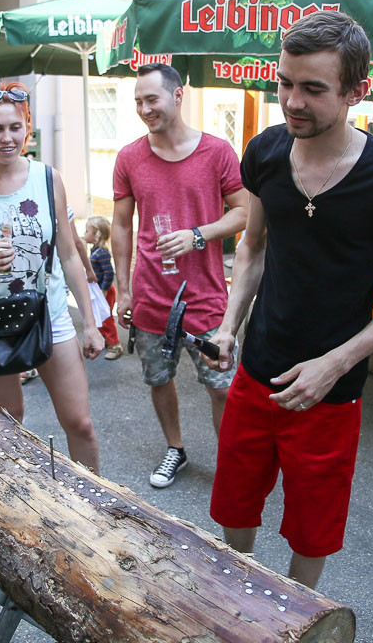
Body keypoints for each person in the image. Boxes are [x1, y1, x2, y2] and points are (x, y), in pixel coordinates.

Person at [205, 10, 373, 589]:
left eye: (312, 88)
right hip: (256, 370)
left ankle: (296, 621)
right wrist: (231, 324)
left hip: (331, 394)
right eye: (284, 82)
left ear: (357, 90)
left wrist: (335, 363)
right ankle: (240, 597)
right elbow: (251, 246)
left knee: (313, 529)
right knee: (233, 508)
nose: (292, 101)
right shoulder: (264, 153)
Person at [0, 83, 103, 475]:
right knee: (9, 422)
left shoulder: (48, 179)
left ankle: (98, 505)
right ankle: (26, 506)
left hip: (49, 312)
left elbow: (68, 253)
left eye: (15, 127)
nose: (7, 138)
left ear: (27, 126)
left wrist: (91, 324)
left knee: (79, 422)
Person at [112, 63, 248, 489]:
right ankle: (176, 449)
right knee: (159, 378)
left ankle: (230, 461)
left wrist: (198, 235)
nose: (144, 108)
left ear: (177, 96)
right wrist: (123, 288)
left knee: (222, 385)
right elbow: (120, 225)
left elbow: (245, 212)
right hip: (151, 294)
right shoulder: (130, 157)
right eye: (138, 101)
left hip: (205, 296)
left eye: (151, 99)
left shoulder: (217, 151)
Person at [83, 216, 122, 360]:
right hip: (98, 291)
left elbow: (109, 273)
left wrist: (104, 290)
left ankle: (115, 345)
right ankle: (104, 339)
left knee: (105, 317)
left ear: (96, 235)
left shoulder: (102, 253)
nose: (84, 233)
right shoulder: (95, 250)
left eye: (87, 231)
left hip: (105, 291)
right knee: (97, 316)